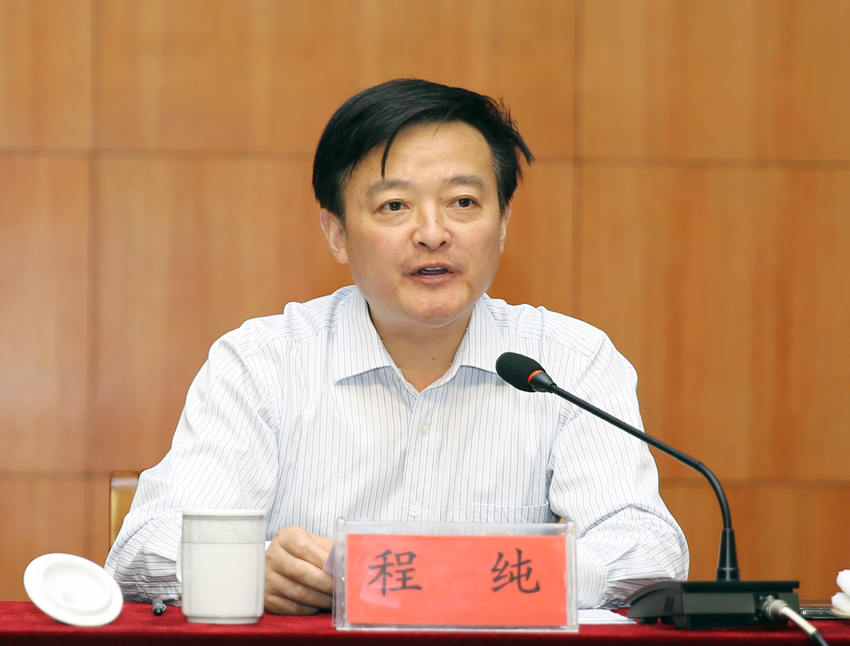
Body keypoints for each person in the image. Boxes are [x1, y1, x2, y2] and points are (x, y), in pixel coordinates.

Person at [105, 79, 689, 613]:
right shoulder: (262, 362)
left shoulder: (571, 363)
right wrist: (248, 571)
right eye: (394, 206)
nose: (432, 233)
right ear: (337, 233)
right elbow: (143, 547)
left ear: (504, 222)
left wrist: (483, 574)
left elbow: (648, 552)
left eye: (463, 202)